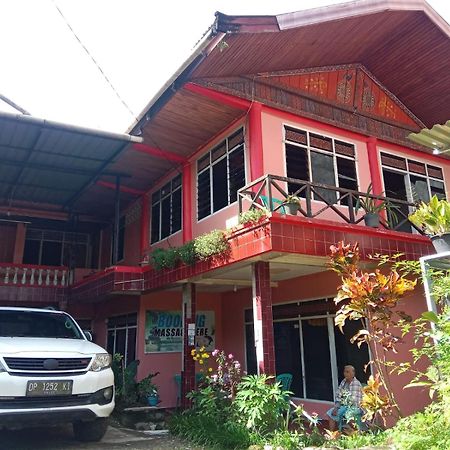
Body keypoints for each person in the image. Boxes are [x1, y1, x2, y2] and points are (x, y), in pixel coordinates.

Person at [327, 365, 363, 431]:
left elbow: (354, 401)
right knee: (330, 413)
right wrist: (336, 407)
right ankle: (332, 435)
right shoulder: (343, 382)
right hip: (344, 406)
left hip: (355, 407)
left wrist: (342, 408)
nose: (345, 374)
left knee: (349, 414)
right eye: (345, 372)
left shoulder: (356, 383)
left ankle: (355, 434)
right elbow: (338, 396)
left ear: (353, 373)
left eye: (347, 372)